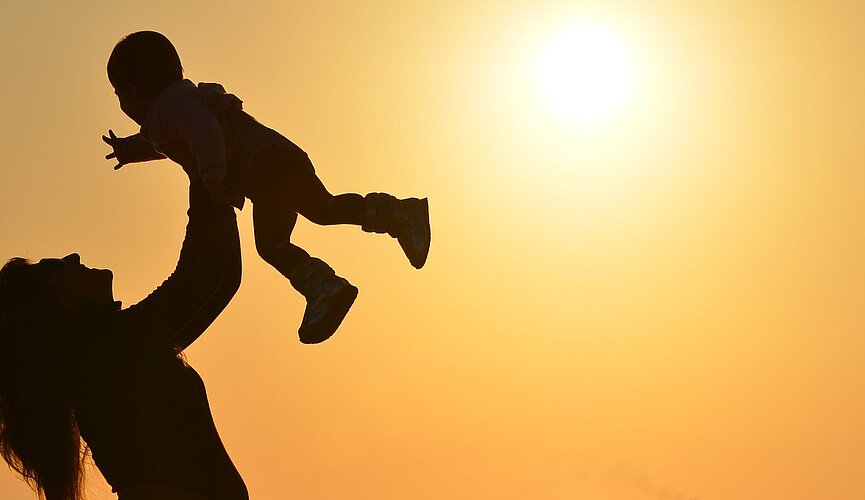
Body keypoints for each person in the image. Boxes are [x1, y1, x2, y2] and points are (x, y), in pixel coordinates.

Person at [102, 30, 431, 345]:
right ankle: (326, 285)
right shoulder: (172, 110)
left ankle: (393, 219)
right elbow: (163, 142)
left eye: (118, 95)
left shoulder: (171, 107)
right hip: (265, 173)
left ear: (130, 91)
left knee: (317, 212)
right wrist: (128, 150)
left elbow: (203, 131)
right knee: (285, 235)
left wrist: (213, 176)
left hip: (268, 163)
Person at [0, 180, 247, 499]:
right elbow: (203, 277)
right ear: (56, 303)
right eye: (56, 267)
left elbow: (222, 279)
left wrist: (211, 180)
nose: (73, 257)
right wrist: (204, 172)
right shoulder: (112, 349)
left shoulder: (112, 351)